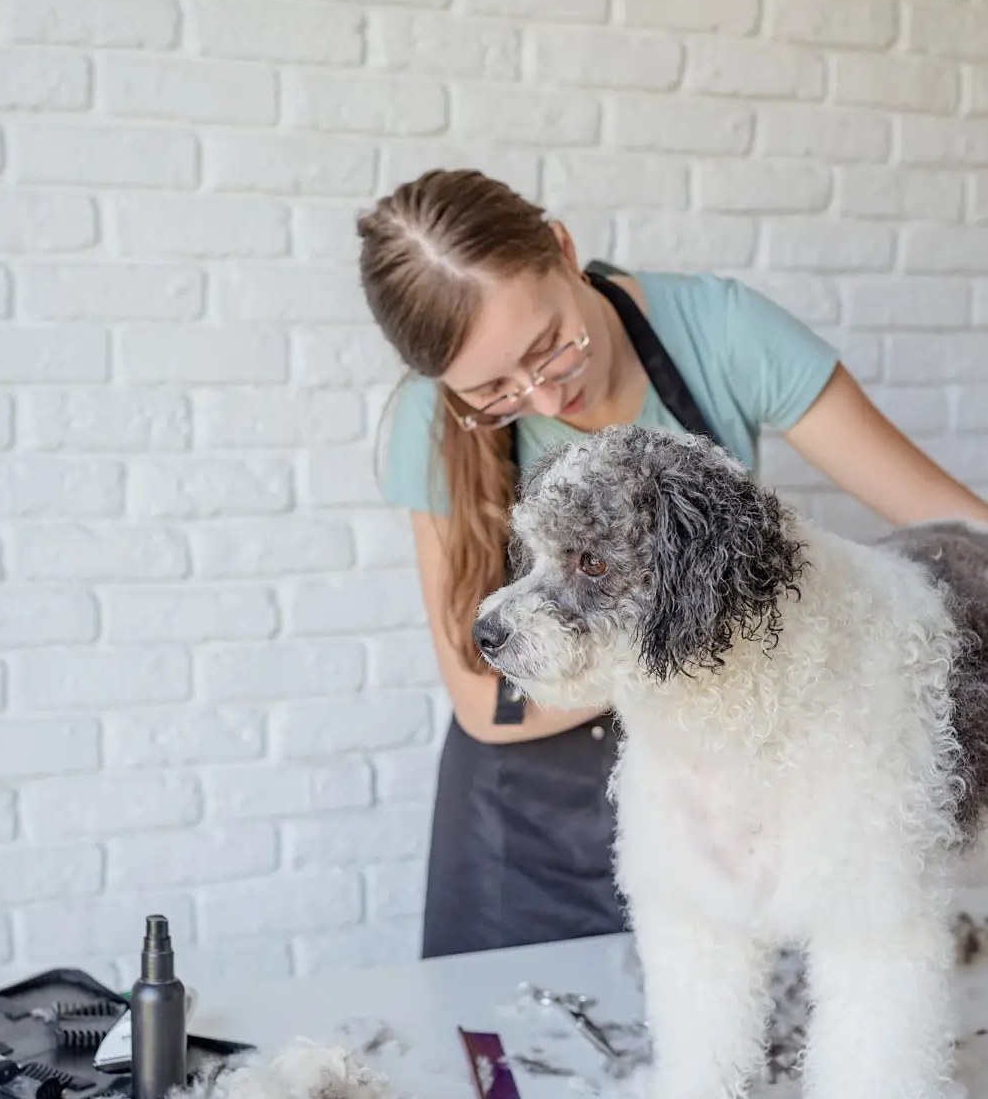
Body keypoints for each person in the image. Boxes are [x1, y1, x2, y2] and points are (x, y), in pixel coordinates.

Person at [356, 169, 988, 960]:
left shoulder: (721, 331)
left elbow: (957, 521)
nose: (546, 402)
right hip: (524, 798)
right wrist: (684, 650)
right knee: (494, 1056)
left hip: (718, 779)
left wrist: (773, 646)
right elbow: (488, 703)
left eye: (549, 349)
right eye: (495, 392)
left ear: (562, 249)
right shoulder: (432, 421)